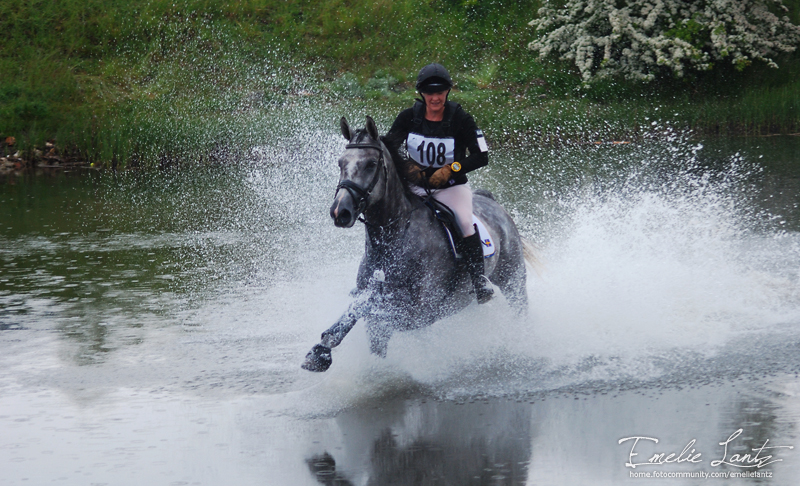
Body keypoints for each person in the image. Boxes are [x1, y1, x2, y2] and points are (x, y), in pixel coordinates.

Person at [384, 63, 493, 303]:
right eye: (430, 92)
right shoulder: (408, 117)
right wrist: (407, 165)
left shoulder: (461, 119)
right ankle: (376, 275)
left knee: (464, 222)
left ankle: (479, 282)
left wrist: (452, 168)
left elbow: (481, 155)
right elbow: (388, 146)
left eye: (440, 92)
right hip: (415, 187)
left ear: (448, 92)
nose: (435, 97)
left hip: (451, 188)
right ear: (421, 93)